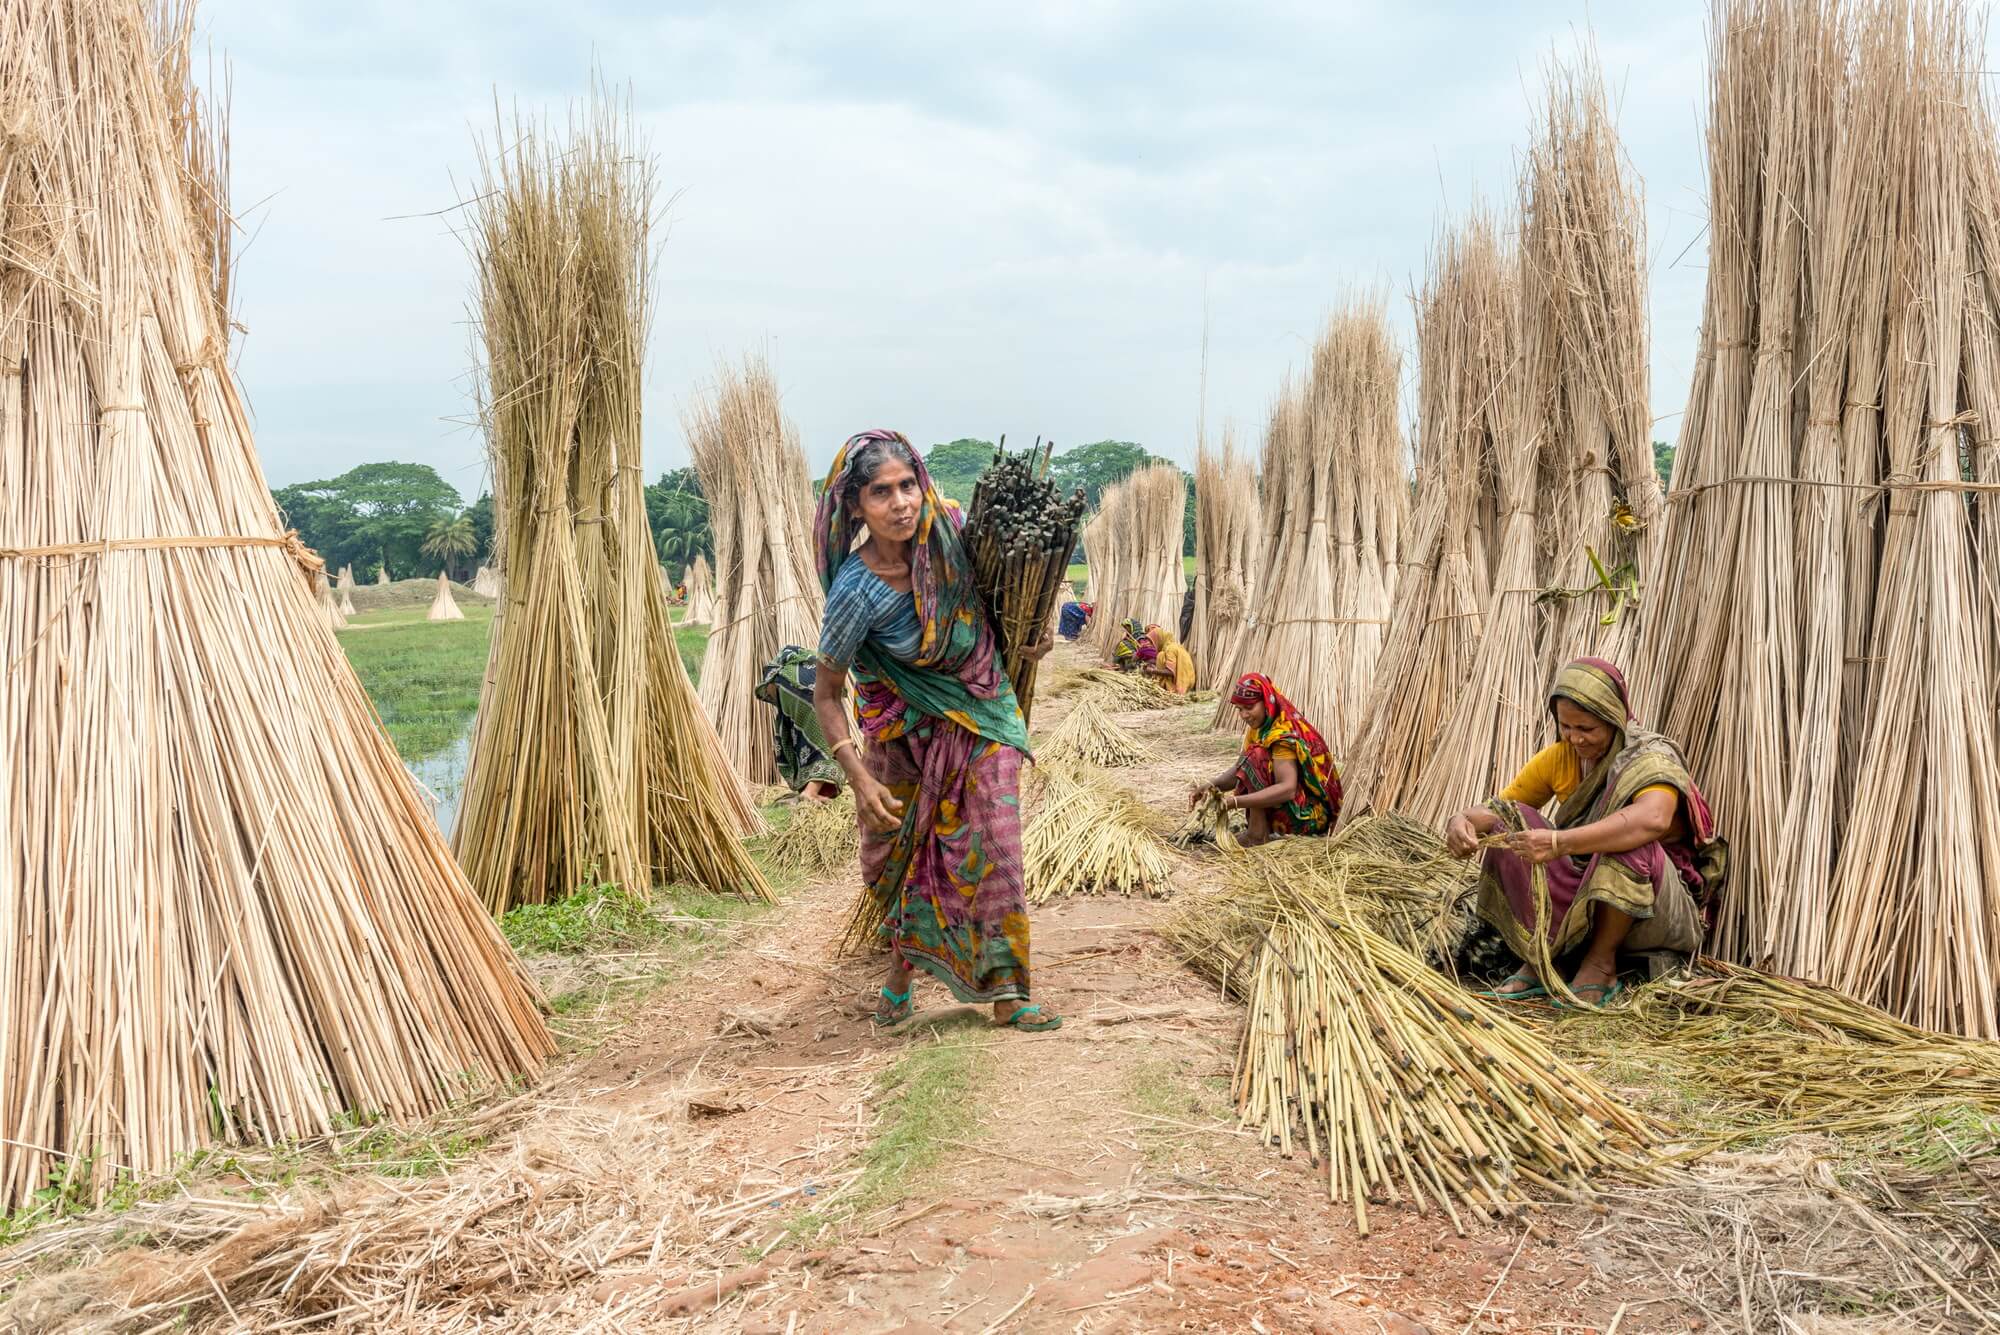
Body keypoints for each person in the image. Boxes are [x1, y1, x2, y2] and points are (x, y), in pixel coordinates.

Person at [810, 430, 1060, 1033]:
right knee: (911, 854)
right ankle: (903, 968)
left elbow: (1001, 596)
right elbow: (825, 693)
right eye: (880, 492)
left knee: (994, 846)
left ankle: (1007, 990)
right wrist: (859, 777)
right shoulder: (855, 591)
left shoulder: (950, 529)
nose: (901, 503)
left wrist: (1034, 632)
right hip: (904, 732)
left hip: (983, 709)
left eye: (907, 485)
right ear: (854, 506)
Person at [1443, 657, 1728, 1009]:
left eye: (1587, 729)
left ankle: (1600, 964)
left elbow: (1652, 819)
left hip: (1658, 912)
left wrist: (1559, 843)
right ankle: (1542, 957)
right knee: (1514, 823)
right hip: (1587, 899)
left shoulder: (1650, 758)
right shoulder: (1560, 758)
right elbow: (1498, 811)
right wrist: (1461, 821)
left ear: (1613, 718)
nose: (1575, 738)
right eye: (1566, 727)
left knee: (1627, 842)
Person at [1188, 673, 1341, 845]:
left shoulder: (1282, 733)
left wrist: (1234, 802)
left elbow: (1287, 789)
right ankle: (1259, 830)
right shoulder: (1260, 728)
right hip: (1291, 808)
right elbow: (1241, 768)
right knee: (1253, 758)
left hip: (1310, 816)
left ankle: (1257, 834)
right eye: (1240, 709)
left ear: (1266, 702)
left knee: (1257, 757)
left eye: (1250, 707)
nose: (1244, 715)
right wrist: (1210, 786)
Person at [754, 646, 842, 800]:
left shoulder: (785, 674)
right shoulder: (808, 664)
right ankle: (811, 791)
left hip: (799, 693)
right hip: (823, 693)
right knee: (831, 740)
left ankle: (810, 791)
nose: (769, 698)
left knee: (820, 742)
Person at [1136, 623, 1196, 695]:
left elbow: (1170, 672)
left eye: (1152, 642)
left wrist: (1152, 670)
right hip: (1188, 680)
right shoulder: (1175, 646)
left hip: (1180, 684)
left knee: (1160, 656)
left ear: (1159, 639)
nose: (1151, 645)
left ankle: (1172, 689)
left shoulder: (1170, 649)